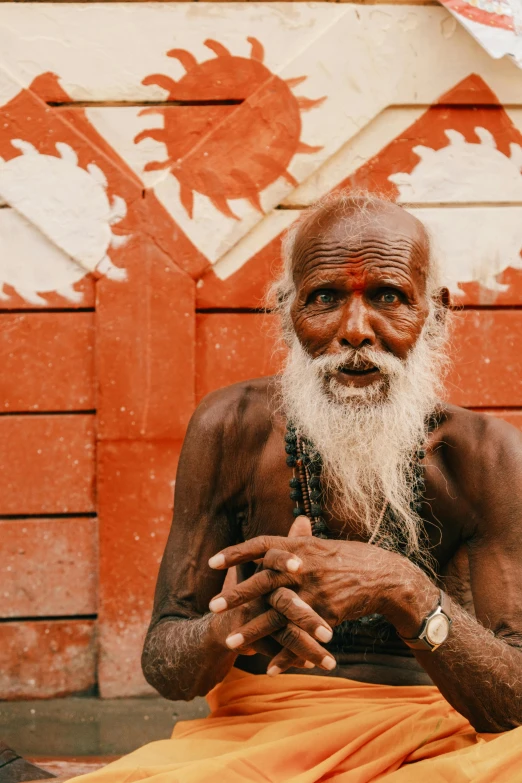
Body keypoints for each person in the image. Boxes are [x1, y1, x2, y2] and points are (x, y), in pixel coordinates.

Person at [69, 192, 522, 782]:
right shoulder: (231, 427)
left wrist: (402, 587)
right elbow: (167, 667)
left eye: (388, 297)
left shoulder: (486, 455)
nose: (356, 330)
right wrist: (239, 618)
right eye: (325, 299)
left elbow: (512, 703)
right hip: (264, 734)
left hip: (443, 733)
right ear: (287, 311)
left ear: (434, 312)